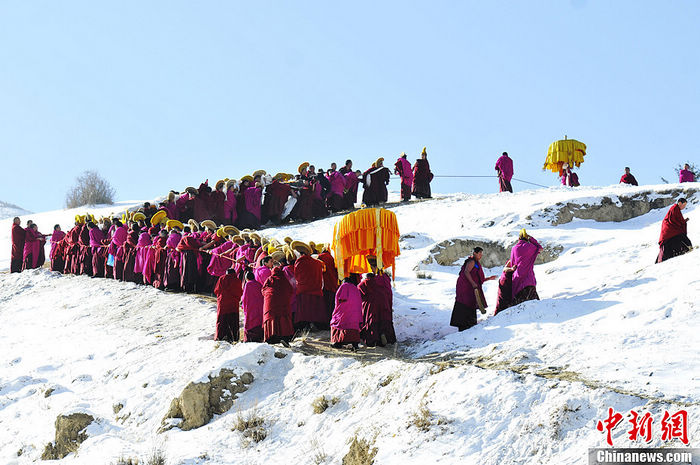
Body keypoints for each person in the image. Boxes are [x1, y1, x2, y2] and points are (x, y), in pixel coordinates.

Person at [450, 247, 496, 331]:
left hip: (470, 287)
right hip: (465, 287)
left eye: (481, 253)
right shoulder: (471, 261)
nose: (481, 255)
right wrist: (473, 283)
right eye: (479, 253)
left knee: (471, 303)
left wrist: (489, 278)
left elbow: (477, 278)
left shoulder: (476, 263)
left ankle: (469, 324)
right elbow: (466, 272)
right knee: (465, 302)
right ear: (474, 253)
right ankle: (463, 325)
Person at [358, 256, 397, 346]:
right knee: (385, 320)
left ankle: (375, 339)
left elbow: (360, 290)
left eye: (371, 267)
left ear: (374, 267)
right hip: (386, 304)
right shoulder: (386, 278)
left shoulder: (368, 281)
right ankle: (386, 336)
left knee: (372, 319)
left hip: (373, 305)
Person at [292, 241, 327, 330]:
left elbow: (297, 276)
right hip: (316, 289)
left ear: (300, 253)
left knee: (305, 310)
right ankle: (316, 324)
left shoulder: (299, 262)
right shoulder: (316, 262)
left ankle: (306, 326)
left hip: (303, 290)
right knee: (315, 309)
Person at [262, 264, 294, 346]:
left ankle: (271, 338)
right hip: (283, 304)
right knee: (283, 319)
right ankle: (284, 338)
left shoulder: (270, 279)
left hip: (270, 304)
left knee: (272, 318)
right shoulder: (284, 280)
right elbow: (290, 290)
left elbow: (263, 290)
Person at [510, 229, 543, 305]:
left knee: (518, 306)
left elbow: (512, 264)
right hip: (529, 280)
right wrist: (531, 239)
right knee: (535, 305)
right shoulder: (530, 247)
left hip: (518, 279)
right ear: (526, 238)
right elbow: (540, 248)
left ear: (519, 238)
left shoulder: (514, 248)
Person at [330, 275, 362, 350]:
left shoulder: (343, 286)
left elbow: (340, 298)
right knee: (353, 322)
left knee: (336, 320)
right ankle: (355, 344)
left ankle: (338, 342)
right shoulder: (355, 288)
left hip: (344, 312)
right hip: (355, 314)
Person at [656, 198, 692, 263]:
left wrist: (683, 221)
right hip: (669, 229)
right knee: (680, 237)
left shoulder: (676, 209)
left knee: (676, 239)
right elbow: (675, 221)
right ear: (680, 203)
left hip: (670, 229)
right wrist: (683, 222)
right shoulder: (675, 209)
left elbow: (676, 220)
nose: (684, 207)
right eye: (684, 205)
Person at [213, 268, 243, 342]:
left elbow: (216, 290)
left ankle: (220, 336)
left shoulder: (222, 278)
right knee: (233, 320)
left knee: (222, 320)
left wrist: (221, 296)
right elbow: (240, 292)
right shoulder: (237, 280)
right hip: (233, 303)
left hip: (223, 302)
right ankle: (233, 337)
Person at [241, 270, 264, 342]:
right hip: (260, 307)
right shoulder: (259, 284)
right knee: (258, 322)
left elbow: (244, 298)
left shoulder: (248, 284)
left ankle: (250, 338)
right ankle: (259, 337)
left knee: (250, 323)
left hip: (251, 307)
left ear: (246, 278)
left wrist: (243, 306)